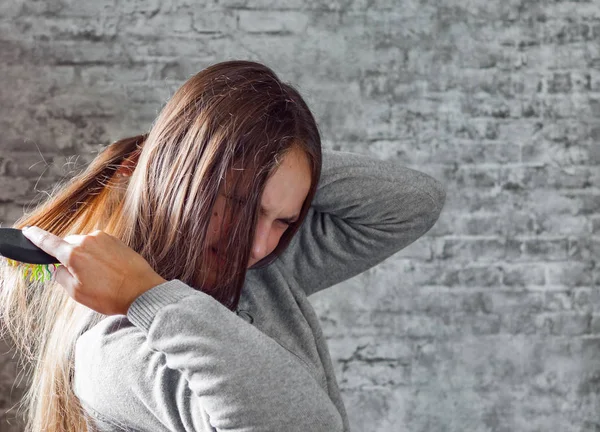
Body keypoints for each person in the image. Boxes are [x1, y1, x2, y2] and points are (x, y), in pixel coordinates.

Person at [0, 60, 446, 432]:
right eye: (240, 204)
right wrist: (148, 300)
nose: (257, 245)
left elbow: (414, 203)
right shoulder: (113, 352)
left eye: (284, 219)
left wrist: (262, 160)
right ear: (177, 177)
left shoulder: (265, 268)